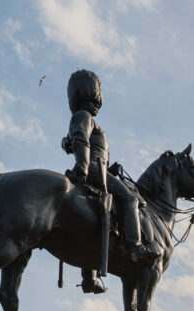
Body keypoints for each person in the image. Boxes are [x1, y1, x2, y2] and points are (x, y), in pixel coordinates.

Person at [61, 69, 159, 293]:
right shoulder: (84, 117)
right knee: (131, 199)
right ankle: (135, 247)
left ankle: (89, 279)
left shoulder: (81, 118)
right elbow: (81, 142)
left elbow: (79, 142)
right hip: (95, 171)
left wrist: (108, 167)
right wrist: (83, 167)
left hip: (100, 169)